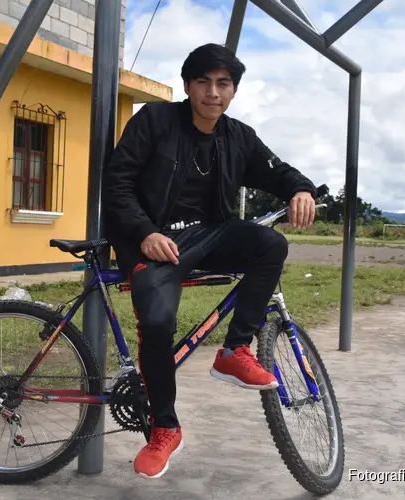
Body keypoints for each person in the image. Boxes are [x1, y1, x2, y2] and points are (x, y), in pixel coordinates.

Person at [102, 43, 318, 479]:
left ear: (233, 91)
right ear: (188, 85)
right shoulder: (155, 121)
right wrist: (145, 233)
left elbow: (277, 171)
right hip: (154, 241)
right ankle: (163, 429)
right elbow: (117, 181)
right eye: (203, 81)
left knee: (270, 245)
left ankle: (236, 350)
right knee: (158, 322)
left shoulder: (239, 137)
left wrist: (301, 188)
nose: (212, 92)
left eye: (223, 83)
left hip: (210, 236)